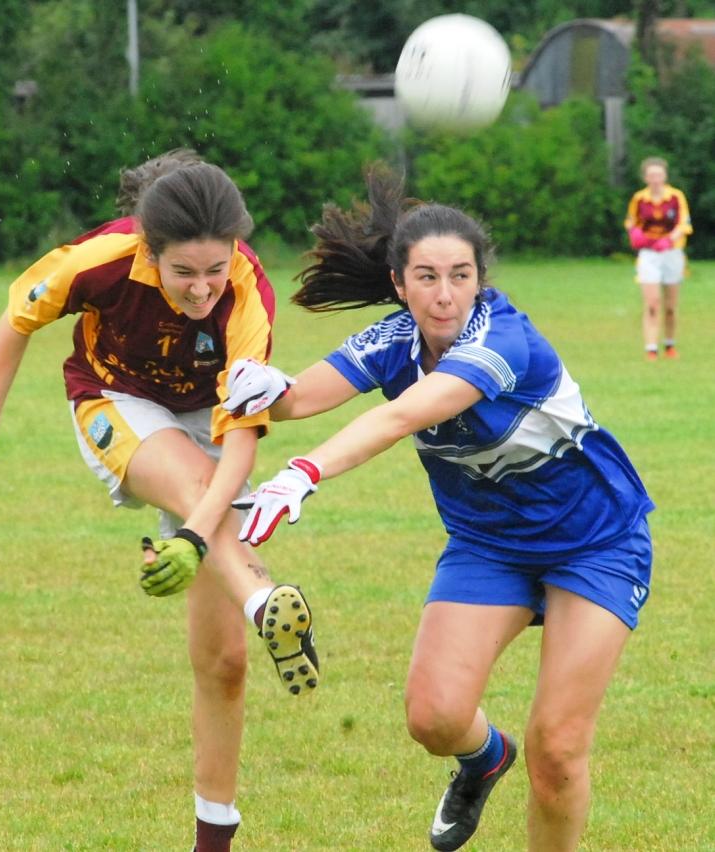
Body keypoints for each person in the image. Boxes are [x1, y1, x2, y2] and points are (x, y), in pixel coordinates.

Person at [223, 167, 654, 851]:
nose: (444, 294)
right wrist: (266, 385)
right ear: (398, 283)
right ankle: (484, 758)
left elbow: (401, 417)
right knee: (432, 717)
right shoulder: (393, 339)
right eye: (426, 277)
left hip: (594, 542)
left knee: (558, 749)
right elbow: (302, 397)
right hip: (489, 546)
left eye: (459, 275)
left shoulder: (502, 342)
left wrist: (304, 470)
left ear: (479, 278)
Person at [0, 149, 318, 852]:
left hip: (209, 416)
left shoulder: (247, 291)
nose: (201, 290)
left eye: (214, 270)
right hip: (115, 399)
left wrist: (193, 539)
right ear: (148, 249)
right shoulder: (97, 260)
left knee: (225, 664)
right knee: (197, 491)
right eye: (182, 272)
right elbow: (16, 322)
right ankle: (264, 600)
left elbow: (245, 437)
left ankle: (211, 842)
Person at [624, 156, 692, 361]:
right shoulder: (639, 199)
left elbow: (684, 224)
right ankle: (651, 348)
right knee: (653, 302)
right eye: (652, 175)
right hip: (649, 254)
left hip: (672, 254)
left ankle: (669, 344)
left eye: (659, 175)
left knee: (670, 306)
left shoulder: (676, 197)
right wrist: (635, 234)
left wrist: (669, 240)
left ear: (665, 176)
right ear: (646, 177)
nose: (656, 179)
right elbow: (631, 222)